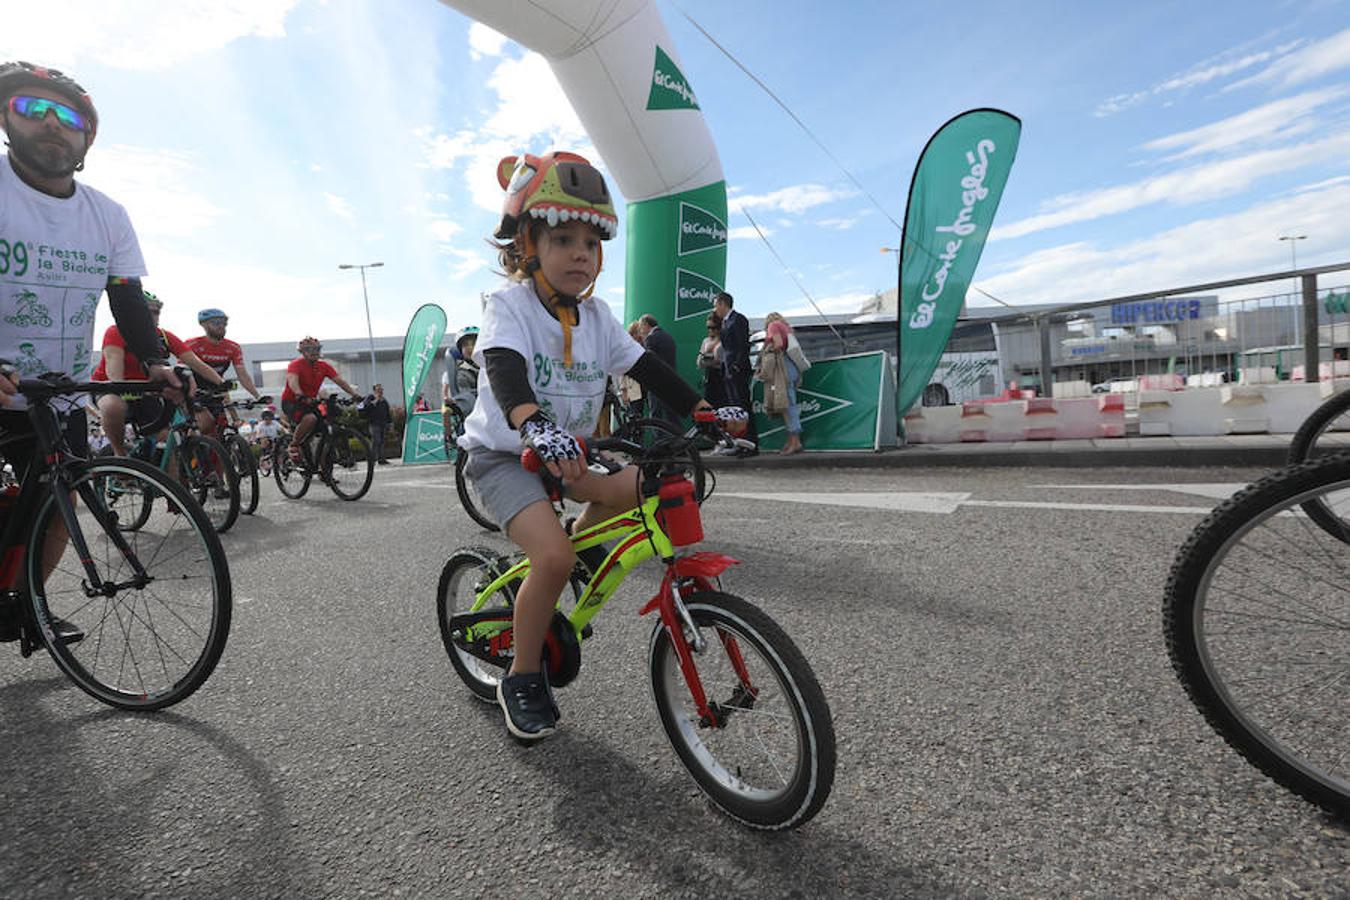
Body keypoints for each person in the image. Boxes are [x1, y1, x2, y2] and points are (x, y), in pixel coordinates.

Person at [460, 150, 745, 742]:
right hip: (505, 454)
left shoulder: (599, 318)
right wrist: (532, 421)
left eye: (590, 244)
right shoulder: (508, 307)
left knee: (648, 484)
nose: (580, 254)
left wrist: (702, 409)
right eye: (562, 239)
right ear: (527, 246)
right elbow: (506, 368)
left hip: (568, 450)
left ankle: (575, 552)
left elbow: (649, 368)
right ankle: (522, 675)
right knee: (554, 558)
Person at [0, 60, 180, 644]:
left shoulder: (107, 215)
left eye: (68, 117)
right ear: (7, 119)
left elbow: (126, 299)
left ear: (85, 138)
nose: (52, 123)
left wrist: (157, 362)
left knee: (58, 506)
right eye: (33, 109)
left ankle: (25, 604)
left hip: (58, 390)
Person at [93, 292, 225, 458]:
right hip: (112, 387)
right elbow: (114, 363)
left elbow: (196, 363)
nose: (154, 316)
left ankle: (170, 480)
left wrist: (222, 384)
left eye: (157, 312)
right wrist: (121, 386)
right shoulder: (117, 331)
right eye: (149, 311)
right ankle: (120, 454)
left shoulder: (163, 336)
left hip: (147, 390)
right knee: (113, 406)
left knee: (166, 442)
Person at [281, 336, 362, 463]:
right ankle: (294, 445)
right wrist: (299, 394)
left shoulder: (323, 366)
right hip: (293, 401)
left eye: (317, 349)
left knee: (325, 430)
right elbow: (292, 380)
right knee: (310, 418)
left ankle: (325, 471)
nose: (314, 352)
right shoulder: (295, 365)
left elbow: (340, 381)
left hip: (311, 401)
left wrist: (354, 394)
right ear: (302, 352)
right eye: (309, 349)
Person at [185, 307, 261, 437]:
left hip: (216, 390)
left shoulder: (233, 347)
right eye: (215, 323)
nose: (221, 326)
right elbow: (183, 372)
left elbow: (242, 375)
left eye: (223, 323)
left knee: (220, 428)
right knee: (205, 424)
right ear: (203, 325)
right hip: (193, 389)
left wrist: (257, 396)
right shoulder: (192, 344)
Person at [713, 292, 757, 455]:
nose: (715, 309)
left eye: (716, 304)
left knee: (743, 409)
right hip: (728, 370)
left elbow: (742, 345)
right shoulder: (725, 322)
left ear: (723, 303)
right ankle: (740, 444)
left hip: (737, 371)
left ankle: (752, 444)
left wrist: (737, 366)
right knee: (735, 411)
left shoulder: (738, 319)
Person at [761, 312, 810, 454]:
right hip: (791, 367)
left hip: (783, 368)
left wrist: (767, 350)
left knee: (788, 405)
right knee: (788, 404)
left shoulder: (773, 326)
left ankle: (795, 442)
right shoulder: (785, 327)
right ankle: (792, 440)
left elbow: (779, 344)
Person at [636, 314, 679, 425]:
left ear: (646, 324)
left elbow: (649, 362)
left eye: (641, 326)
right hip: (671, 380)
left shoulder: (651, 338)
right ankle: (680, 439)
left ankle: (658, 441)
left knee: (655, 415)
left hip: (656, 383)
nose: (640, 330)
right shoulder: (668, 337)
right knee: (671, 414)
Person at [617, 322, 645, 421]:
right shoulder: (626, 348)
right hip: (633, 389)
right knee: (634, 416)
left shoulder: (644, 345)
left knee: (642, 417)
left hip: (644, 388)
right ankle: (633, 436)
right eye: (638, 331)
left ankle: (640, 435)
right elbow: (622, 372)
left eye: (641, 331)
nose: (641, 333)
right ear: (633, 333)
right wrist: (624, 391)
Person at [697, 312, 727, 407]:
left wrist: (712, 359)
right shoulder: (706, 341)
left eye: (713, 328)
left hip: (722, 377)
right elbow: (699, 362)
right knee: (709, 405)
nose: (710, 330)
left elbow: (723, 360)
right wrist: (707, 352)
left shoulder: (725, 340)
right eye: (708, 328)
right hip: (710, 376)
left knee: (722, 404)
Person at [363, 383, 392, 464]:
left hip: (382, 423)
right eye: (378, 390)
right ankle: (372, 459)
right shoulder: (370, 397)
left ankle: (381, 459)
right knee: (376, 441)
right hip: (374, 424)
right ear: (374, 390)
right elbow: (366, 407)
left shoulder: (384, 400)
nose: (380, 391)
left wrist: (389, 423)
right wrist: (376, 400)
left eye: (381, 390)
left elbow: (387, 412)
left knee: (382, 441)